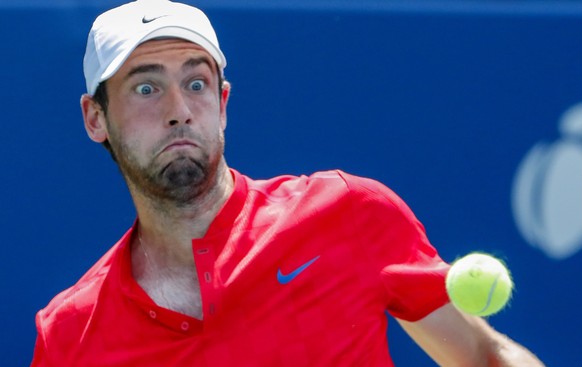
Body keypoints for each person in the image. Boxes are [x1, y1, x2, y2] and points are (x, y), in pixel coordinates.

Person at [31, 1, 545, 366]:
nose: (180, 111)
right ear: (95, 118)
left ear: (223, 103)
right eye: (147, 87)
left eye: (196, 83)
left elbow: (485, 356)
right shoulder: (68, 335)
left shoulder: (348, 213)